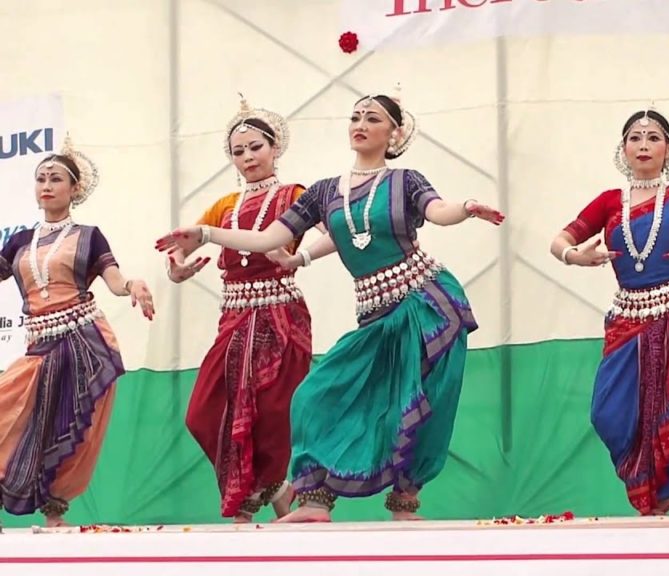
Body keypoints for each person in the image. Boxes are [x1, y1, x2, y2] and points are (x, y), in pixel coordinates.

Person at [155, 87, 504, 522]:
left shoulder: (405, 180)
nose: (361, 124)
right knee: (315, 397)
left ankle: (405, 502)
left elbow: (437, 211)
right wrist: (207, 235)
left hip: (426, 302)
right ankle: (315, 503)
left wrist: (467, 207)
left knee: (420, 399)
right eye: (356, 116)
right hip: (373, 312)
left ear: (394, 133)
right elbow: (267, 240)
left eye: (373, 119)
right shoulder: (323, 191)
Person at [549, 106, 669, 515]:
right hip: (627, 320)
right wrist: (573, 256)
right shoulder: (608, 201)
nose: (643, 145)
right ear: (623, 148)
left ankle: (663, 504)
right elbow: (560, 239)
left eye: (653, 137)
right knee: (608, 413)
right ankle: (646, 492)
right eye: (635, 138)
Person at [166, 96, 313, 522]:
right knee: (203, 414)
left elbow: (330, 233)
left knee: (270, 414)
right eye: (239, 151)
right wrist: (178, 269)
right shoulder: (223, 208)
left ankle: (253, 500)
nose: (248, 157)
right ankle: (275, 488)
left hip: (281, 315)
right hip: (234, 319)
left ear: (275, 148)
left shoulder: (295, 195)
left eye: (256, 147)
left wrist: (301, 258)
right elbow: (180, 253)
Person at [0, 136, 155, 527]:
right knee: (12, 413)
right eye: (40, 179)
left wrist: (133, 285)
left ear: (74, 189)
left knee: (70, 423)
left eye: (55, 178)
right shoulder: (19, 240)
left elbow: (113, 278)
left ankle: (55, 512)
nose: (47, 185)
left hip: (83, 340)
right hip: (40, 341)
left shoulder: (89, 235)